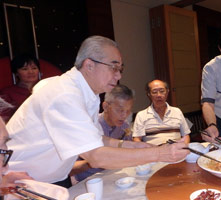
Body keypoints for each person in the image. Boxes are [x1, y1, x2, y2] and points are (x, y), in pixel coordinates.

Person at [6, 36, 189, 188]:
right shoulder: (64, 93)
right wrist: (161, 154)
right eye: (114, 67)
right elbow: (96, 157)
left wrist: (133, 146)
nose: (119, 75)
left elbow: (94, 139)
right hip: (18, 181)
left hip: (49, 179)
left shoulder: (87, 94)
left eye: (120, 69)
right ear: (89, 65)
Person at [73, 84, 135, 182]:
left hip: (114, 175)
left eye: (128, 111)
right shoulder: (89, 126)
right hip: (89, 181)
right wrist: (96, 161)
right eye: (120, 110)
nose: (124, 115)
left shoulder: (124, 126)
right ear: (105, 106)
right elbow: (70, 169)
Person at [132, 80, 190, 145]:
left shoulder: (177, 111)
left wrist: (183, 147)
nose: (159, 95)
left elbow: (186, 135)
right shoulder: (141, 115)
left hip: (176, 150)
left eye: (162, 91)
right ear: (149, 94)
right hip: (153, 152)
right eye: (154, 92)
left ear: (167, 92)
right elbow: (137, 139)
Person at [0, 54, 41, 122]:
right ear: (16, 73)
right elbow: (4, 120)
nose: (31, 72)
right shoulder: (7, 93)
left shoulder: (46, 86)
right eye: (25, 69)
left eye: (34, 68)